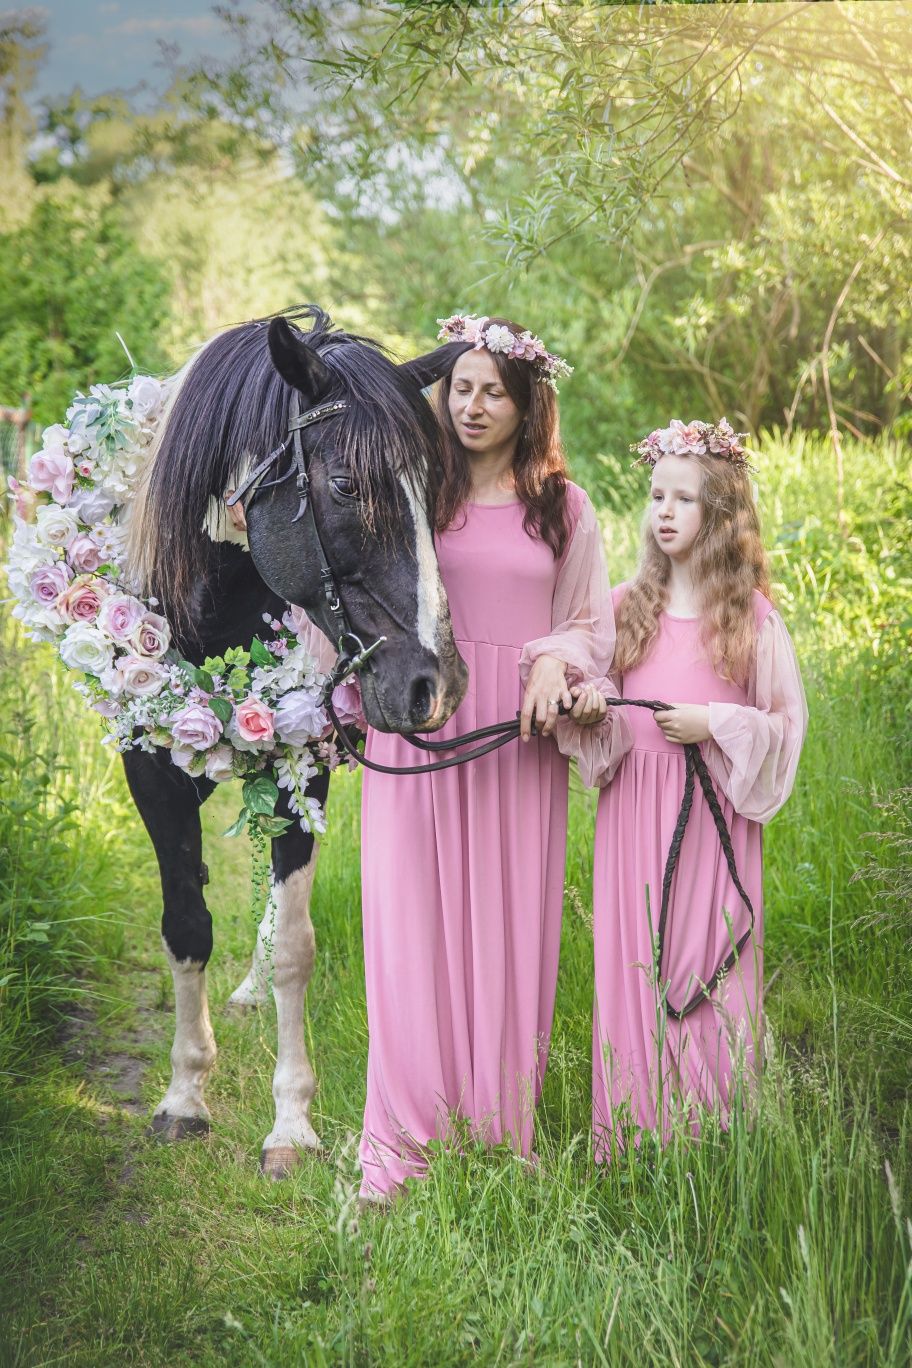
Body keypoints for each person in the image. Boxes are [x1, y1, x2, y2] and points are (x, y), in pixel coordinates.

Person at [358, 314, 625, 1200]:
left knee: (510, 931)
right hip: (420, 724)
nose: (472, 406)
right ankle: (400, 1143)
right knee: (409, 930)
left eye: (493, 393)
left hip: (516, 741)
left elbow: (590, 624)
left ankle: (497, 1132)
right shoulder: (409, 490)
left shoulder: (564, 507)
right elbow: (356, 593)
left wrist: (553, 662)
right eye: (460, 389)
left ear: (527, 404)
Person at [589, 421, 807, 1156]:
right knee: (637, 960)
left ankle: (715, 1134)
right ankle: (632, 1132)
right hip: (633, 820)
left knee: (707, 958)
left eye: (684, 499)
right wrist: (593, 708)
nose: (666, 512)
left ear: (719, 517)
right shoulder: (623, 607)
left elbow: (783, 724)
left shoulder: (750, 617)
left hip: (711, 818)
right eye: (657, 496)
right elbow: (598, 709)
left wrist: (715, 720)